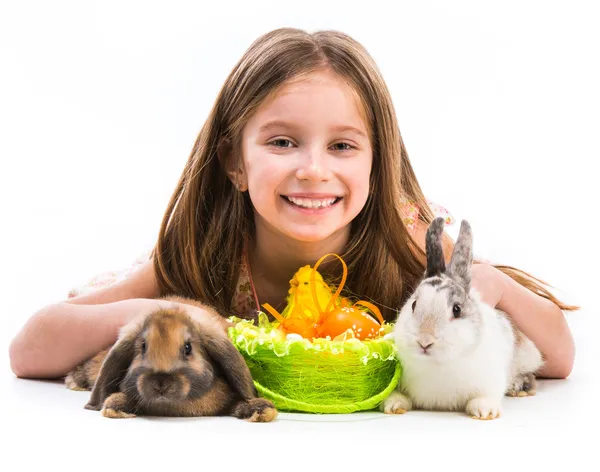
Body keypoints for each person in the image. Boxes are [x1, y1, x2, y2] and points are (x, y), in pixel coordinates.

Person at [9, 28, 576, 382]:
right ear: (234, 161)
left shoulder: (407, 236)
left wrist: (489, 285)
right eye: (282, 142)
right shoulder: (205, 254)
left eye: (343, 146)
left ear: (376, 168)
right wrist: (175, 316)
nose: (313, 168)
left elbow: (559, 358)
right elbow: (28, 350)